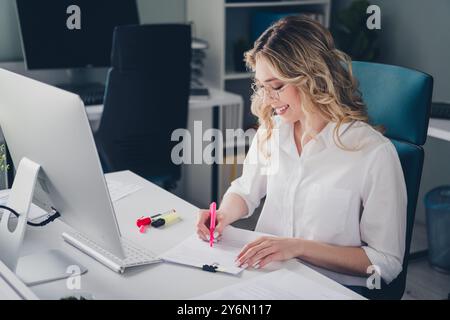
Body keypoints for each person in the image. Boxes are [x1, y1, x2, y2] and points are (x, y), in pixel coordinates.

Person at [196, 16, 406, 292]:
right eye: (262, 86)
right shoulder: (273, 131)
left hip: (329, 288)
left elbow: (386, 262)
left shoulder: (373, 153)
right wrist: (222, 215)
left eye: (278, 86)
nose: (268, 99)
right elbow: (245, 190)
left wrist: (297, 248)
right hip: (266, 278)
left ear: (314, 78)